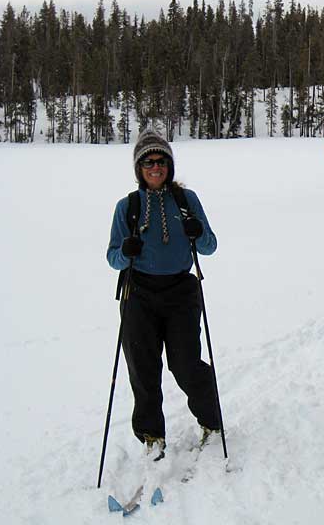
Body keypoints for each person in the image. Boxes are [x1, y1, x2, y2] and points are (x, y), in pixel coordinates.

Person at [107, 129, 220, 459]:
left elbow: (210, 246)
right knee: (142, 369)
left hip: (181, 292)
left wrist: (197, 234)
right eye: (148, 162)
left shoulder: (186, 200)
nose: (155, 167)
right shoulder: (126, 206)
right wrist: (126, 251)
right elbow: (113, 257)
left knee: (185, 364)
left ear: (169, 165)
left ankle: (212, 422)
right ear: (139, 169)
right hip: (138, 293)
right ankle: (151, 435)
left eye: (161, 161)